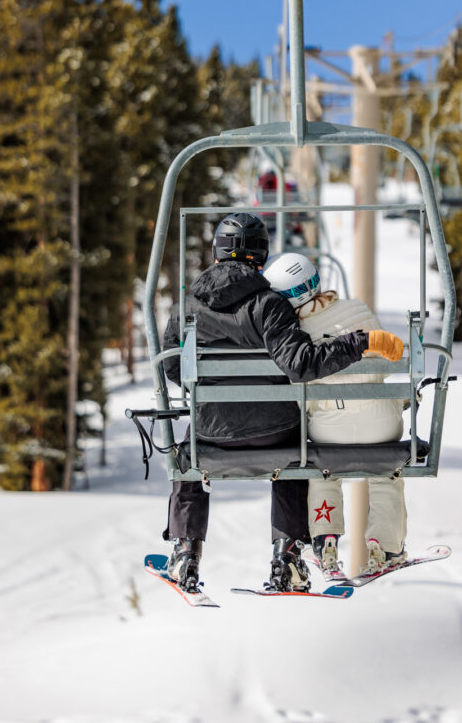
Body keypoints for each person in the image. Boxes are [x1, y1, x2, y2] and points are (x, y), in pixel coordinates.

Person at [160, 213, 403, 594]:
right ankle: (288, 559)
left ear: (217, 251)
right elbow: (302, 363)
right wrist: (358, 342)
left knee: (186, 454)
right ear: (262, 255)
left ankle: (185, 551)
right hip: (274, 435)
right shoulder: (271, 305)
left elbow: (172, 368)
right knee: (297, 450)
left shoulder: (185, 305)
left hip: (212, 435)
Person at [265, 251, 409, 578]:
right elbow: (388, 364)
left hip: (329, 429)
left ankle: (325, 541)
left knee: (324, 472)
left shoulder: (292, 333)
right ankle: (385, 547)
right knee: (387, 474)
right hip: (381, 425)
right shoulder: (358, 309)